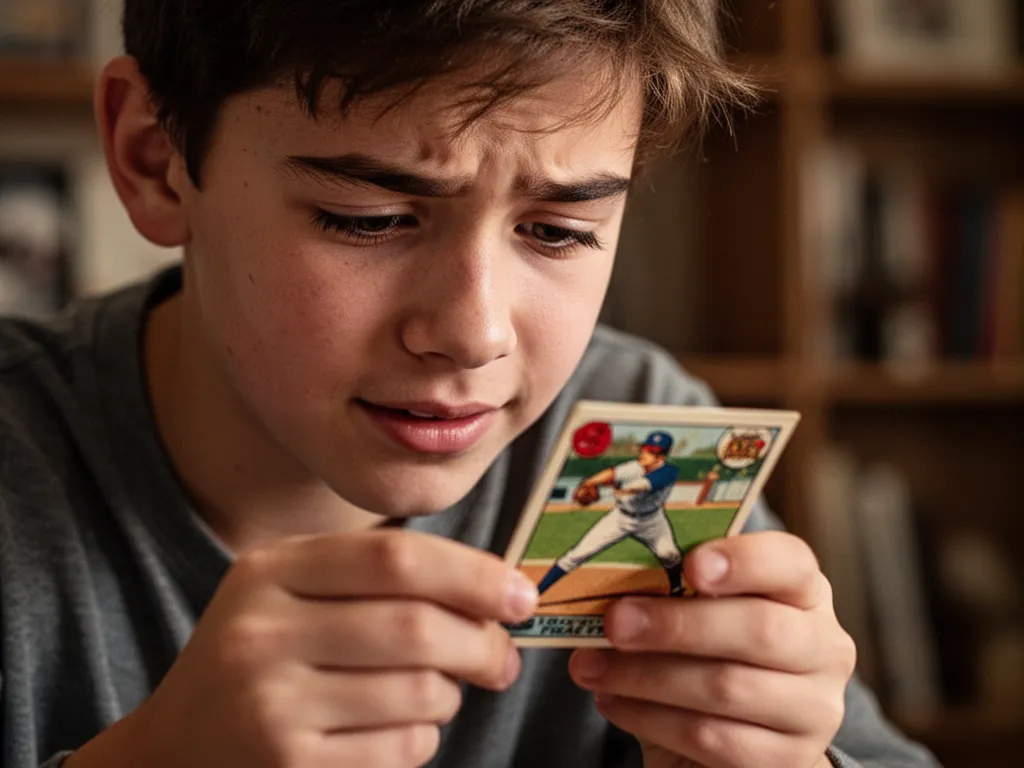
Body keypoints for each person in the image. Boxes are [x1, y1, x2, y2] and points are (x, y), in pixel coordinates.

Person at [0, 2, 940, 767]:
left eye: (560, 232)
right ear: (154, 157)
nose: (474, 334)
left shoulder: (637, 427)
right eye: (367, 219)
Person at [536, 431, 686, 598]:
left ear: (661, 457)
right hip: (619, 518)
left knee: (669, 554)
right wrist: (589, 483)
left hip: (651, 522)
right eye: (644, 449)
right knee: (576, 555)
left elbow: (645, 484)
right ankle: (537, 593)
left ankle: (676, 587)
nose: (644, 454)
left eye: (651, 451)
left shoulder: (669, 471)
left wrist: (625, 489)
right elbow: (611, 473)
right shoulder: (633, 467)